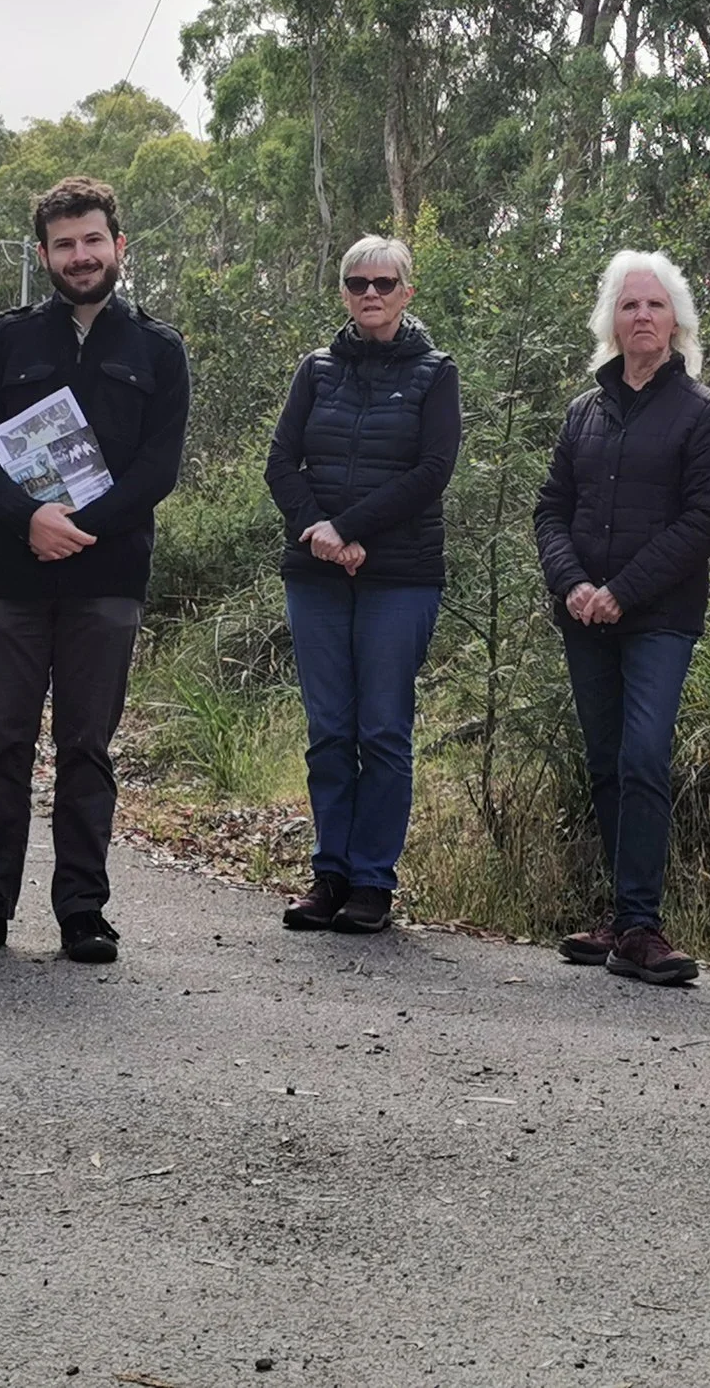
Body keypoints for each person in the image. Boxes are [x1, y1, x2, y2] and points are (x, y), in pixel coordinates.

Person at [0, 176, 189, 961]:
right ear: (43, 253)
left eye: (93, 241)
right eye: (65, 244)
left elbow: (158, 466)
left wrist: (76, 527)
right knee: (0, 744)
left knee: (88, 747)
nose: (81, 256)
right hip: (8, 575)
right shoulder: (4, 340)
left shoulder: (158, 348)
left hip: (106, 580)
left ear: (120, 246)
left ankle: (83, 909)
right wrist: (28, 519)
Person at [533, 248, 710, 987]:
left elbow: (704, 520)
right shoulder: (583, 412)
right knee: (606, 761)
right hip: (584, 616)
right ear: (610, 322)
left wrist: (622, 589)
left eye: (654, 304)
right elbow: (551, 509)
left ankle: (643, 925)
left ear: (675, 319)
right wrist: (576, 584)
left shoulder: (701, 413)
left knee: (645, 756)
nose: (642, 315)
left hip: (659, 619)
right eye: (629, 305)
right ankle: (619, 921)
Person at [264, 235, 461, 935]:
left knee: (381, 728)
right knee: (328, 730)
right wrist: (318, 528)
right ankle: (330, 874)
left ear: (407, 291)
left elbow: (433, 469)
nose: (370, 293)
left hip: (399, 576)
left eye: (384, 282)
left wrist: (347, 527)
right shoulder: (314, 370)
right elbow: (282, 462)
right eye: (357, 282)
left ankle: (373, 881)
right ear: (343, 292)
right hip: (316, 574)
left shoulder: (436, 372)